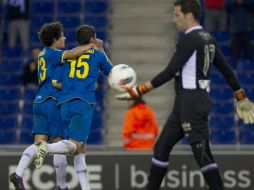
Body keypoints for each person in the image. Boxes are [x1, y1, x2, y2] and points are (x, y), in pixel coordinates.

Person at [116, 0, 254, 189]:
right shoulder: (208, 38)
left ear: (189, 16)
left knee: (202, 152)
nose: (174, 20)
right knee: (161, 147)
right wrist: (240, 96)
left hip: (192, 102)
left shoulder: (189, 38)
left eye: (177, 15)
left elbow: (170, 70)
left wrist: (138, 90)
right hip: (184, 103)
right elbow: (227, 71)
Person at [9, 22, 95, 190]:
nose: (64, 38)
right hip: (52, 101)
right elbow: (71, 54)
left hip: (39, 101)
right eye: (62, 36)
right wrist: (90, 45)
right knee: (59, 142)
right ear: (55, 39)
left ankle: (18, 173)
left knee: (39, 143)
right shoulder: (54, 54)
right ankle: (61, 186)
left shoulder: (42, 54)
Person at [35, 25, 112, 190]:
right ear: (92, 39)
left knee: (80, 147)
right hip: (83, 102)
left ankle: (85, 187)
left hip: (64, 104)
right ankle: (46, 148)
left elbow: (56, 81)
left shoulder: (68, 56)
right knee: (75, 144)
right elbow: (112, 73)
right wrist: (101, 50)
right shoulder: (97, 55)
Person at [225, 0, 254, 68]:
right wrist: (236, 2)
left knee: (249, 52)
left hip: (246, 30)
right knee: (235, 53)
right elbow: (228, 7)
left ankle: (250, 69)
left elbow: (251, 7)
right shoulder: (231, 4)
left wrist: (243, 2)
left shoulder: (249, 4)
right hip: (235, 31)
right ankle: (234, 69)